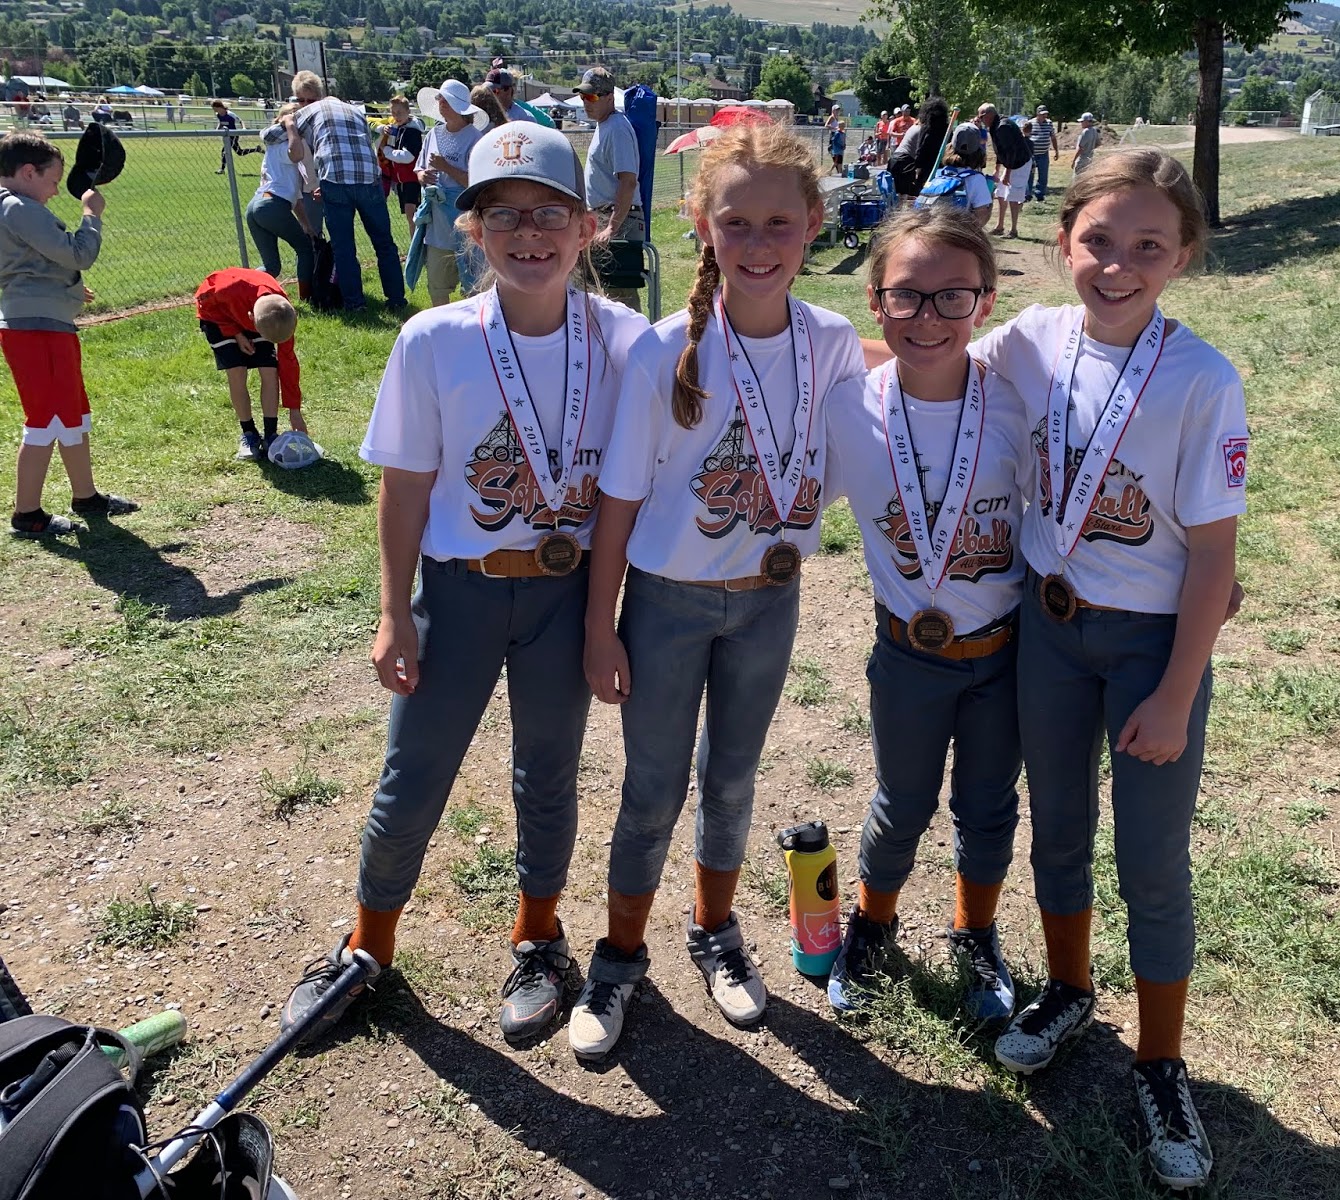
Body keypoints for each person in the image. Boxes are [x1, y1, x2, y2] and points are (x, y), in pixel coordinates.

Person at [278, 121, 651, 1046]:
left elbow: (636, 482)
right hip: (458, 590)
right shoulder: (434, 339)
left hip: (567, 595)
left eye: (550, 214)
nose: (529, 233)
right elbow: (405, 488)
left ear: (588, 227)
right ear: (471, 229)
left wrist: (602, 621)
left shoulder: (626, 340)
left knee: (548, 773)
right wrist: (392, 612)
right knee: (414, 774)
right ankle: (367, 947)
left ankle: (538, 936)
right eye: (503, 215)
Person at [971, 148, 1247, 1191]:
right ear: (1062, 242)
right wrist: (782, 348)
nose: (1117, 265)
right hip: (1048, 630)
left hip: (1149, 648)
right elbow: (927, 358)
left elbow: (1214, 560)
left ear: (1183, 256)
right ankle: (1070, 988)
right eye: (1098, 241)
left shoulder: (1202, 379)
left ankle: (1161, 1062)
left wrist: (1174, 695)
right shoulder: (1034, 338)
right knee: (1058, 827)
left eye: (1147, 246)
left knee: (1151, 862)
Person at [576, 122, 865, 1060]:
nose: (759, 243)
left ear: (814, 223)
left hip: (768, 603)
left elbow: (869, 446)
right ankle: (619, 958)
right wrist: (600, 626)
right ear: (702, 226)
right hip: (668, 601)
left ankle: (714, 932)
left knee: (732, 779)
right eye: (736, 223)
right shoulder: (666, 351)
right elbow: (620, 499)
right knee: (652, 788)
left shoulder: (831, 343)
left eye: (780, 223)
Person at [821, 207, 1027, 1025]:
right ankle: (872, 925)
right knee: (901, 802)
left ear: (986, 301)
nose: (929, 316)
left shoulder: (1019, 404)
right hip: (907, 654)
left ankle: (975, 933)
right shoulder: (846, 408)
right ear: (875, 300)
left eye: (953, 297)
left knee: (989, 805)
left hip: (1005, 652)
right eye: (906, 295)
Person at [0, 131, 137, 537]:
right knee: (46, 421)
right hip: (37, 330)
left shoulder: (10, 208)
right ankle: (27, 513)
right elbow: (79, 253)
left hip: (43, 324)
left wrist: (70, 288)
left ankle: (86, 496)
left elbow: (30, 264)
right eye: (53, 180)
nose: (57, 190)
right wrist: (92, 214)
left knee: (72, 415)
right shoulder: (18, 207)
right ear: (28, 172)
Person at [263, 70, 407, 312]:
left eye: (306, 100)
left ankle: (355, 304)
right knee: (384, 243)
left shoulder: (306, 113)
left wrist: (288, 122)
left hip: (335, 180)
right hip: (369, 179)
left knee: (344, 247)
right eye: (301, 100)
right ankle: (396, 300)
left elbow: (267, 136)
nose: (304, 104)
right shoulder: (355, 110)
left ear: (316, 98)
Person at [194, 267, 308, 462]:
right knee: (237, 371)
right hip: (215, 315)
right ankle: (249, 433)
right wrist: (236, 333)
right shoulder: (223, 289)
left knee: (270, 369)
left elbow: (288, 364)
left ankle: (271, 435)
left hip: (251, 308)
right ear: (251, 320)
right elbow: (203, 303)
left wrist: (294, 410)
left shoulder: (281, 311)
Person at [575, 67, 643, 312]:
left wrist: (612, 228)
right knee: (601, 291)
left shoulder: (616, 128)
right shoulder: (604, 125)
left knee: (619, 295)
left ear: (609, 97)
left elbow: (628, 181)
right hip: (605, 217)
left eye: (592, 96)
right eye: (583, 96)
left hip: (618, 220)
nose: (586, 102)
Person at [415, 79, 484, 307]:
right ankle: (442, 324)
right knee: (437, 284)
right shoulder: (433, 134)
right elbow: (419, 169)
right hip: (437, 225)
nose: (440, 102)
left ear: (459, 106)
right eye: (439, 98)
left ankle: (476, 324)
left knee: (474, 284)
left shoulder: (475, 139)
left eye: (444, 99)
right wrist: (423, 176)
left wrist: (446, 167)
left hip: (465, 223)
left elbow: (477, 183)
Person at [247, 103, 316, 298]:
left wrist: (307, 226)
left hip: (257, 205)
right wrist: (291, 125)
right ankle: (306, 297)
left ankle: (244, 288)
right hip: (272, 206)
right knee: (305, 249)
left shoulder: (275, 148)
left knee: (272, 267)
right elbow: (296, 154)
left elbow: (296, 198)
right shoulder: (282, 145)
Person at [914, 122, 992, 226]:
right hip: (955, 233)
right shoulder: (976, 179)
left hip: (931, 229)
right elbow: (981, 219)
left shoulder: (938, 174)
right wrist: (991, 199)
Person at [377, 95, 424, 236]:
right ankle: (415, 244)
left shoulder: (412, 131)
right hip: (402, 180)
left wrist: (386, 150)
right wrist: (384, 130)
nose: (396, 116)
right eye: (393, 113)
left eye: (399, 113)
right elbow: (374, 125)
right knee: (411, 217)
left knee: (413, 215)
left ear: (408, 112)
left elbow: (407, 157)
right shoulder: (400, 129)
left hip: (412, 179)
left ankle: (418, 245)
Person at [888, 96, 950, 202]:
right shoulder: (925, 130)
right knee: (907, 197)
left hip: (897, 161)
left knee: (900, 198)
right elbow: (921, 151)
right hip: (904, 162)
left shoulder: (920, 126)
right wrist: (919, 169)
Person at [990, 118, 1032, 239]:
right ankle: (1000, 226)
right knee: (1001, 192)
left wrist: (1007, 174)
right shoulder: (997, 129)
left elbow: (1011, 154)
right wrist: (997, 169)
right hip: (1012, 163)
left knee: (1013, 195)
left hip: (1020, 163)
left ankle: (1013, 230)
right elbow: (1000, 152)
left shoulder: (1004, 129)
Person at [485, 67, 555, 128]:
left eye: (495, 91)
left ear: (509, 90)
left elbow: (549, 123)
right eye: (486, 90)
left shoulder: (524, 115)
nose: (489, 94)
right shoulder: (483, 111)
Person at [212, 100, 256, 174]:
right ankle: (256, 149)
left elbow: (240, 120)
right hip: (226, 136)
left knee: (224, 151)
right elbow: (221, 123)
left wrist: (244, 128)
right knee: (239, 152)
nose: (213, 109)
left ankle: (222, 169)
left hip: (233, 135)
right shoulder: (218, 115)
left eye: (213, 108)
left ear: (218, 107)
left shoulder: (229, 114)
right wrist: (217, 129)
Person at [1028, 104, 1058, 201]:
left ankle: (1040, 195)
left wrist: (1056, 150)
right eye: (1042, 114)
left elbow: (1053, 137)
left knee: (1043, 176)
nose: (1044, 116)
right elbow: (1025, 137)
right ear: (1037, 114)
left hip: (1044, 154)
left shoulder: (1049, 123)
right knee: (1029, 175)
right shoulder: (1030, 123)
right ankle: (1027, 195)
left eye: (1045, 114)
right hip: (1031, 154)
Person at [826, 104, 846, 175]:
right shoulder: (832, 117)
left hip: (838, 135)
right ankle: (834, 171)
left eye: (838, 110)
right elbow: (826, 125)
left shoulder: (837, 118)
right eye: (836, 110)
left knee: (839, 157)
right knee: (835, 156)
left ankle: (839, 171)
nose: (837, 111)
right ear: (833, 110)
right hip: (834, 135)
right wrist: (835, 128)